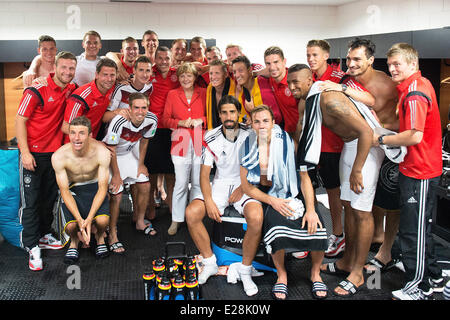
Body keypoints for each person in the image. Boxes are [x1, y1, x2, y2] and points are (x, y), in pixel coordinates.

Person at [287, 64, 386, 297]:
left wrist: (358, 170)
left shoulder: (329, 100)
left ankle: (359, 273)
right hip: (351, 146)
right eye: (289, 82)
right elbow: (301, 129)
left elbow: (366, 132)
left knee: (362, 211)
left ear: (310, 80)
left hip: (366, 148)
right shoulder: (310, 100)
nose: (292, 87)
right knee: (348, 207)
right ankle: (347, 261)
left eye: (296, 82)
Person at [374, 43, 443, 300]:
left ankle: (418, 286)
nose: (392, 69)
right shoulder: (415, 85)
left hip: (420, 171)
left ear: (412, 64)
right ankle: (434, 277)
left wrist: (379, 140)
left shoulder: (414, 92)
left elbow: (414, 136)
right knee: (420, 228)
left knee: (413, 231)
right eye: (390, 64)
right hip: (416, 168)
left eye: (397, 64)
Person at [239, 105, 328, 300]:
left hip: (295, 192)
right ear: (251, 125)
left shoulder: (289, 143)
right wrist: (273, 201)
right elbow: (247, 187)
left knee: (318, 227)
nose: (261, 125)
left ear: (273, 123)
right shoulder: (246, 146)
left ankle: (315, 273)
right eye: (257, 121)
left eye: (265, 121)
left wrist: (311, 209)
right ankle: (282, 274)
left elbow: (304, 178)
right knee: (276, 230)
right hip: (269, 194)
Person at [305, 39, 375, 259]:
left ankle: (338, 235)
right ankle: (319, 237)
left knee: (336, 196)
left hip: (337, 146)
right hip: (316, 145)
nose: (311, 59)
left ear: (326, 55)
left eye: (315, 55)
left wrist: (341, 87)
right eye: (308, 55)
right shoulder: (310, 77)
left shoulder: (339, 77)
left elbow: (370, 99)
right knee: (320, 195)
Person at [186, 95, 263, 297]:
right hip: (219, 183)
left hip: (244, 182)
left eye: (232, 111)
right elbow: (204, 174)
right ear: (219, 115)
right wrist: (209, 200)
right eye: (224, 112)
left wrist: (245, 188)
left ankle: (245, 269)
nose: (229, 116)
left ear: (239, 113)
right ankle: (210, 262)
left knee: (256, 217)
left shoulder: (251, 133)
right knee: (192, 213)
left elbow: (258, 167)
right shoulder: (210, 136)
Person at [16, 51, 78, 271]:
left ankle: (44, 234)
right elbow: (20, 120)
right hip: (32, 154)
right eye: (64, 68)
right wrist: (24, 152)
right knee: (30, 202)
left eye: (71, 68)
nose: (68, 72)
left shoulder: (71, 89)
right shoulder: (37, 89)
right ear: (55, 67)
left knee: (48, 199)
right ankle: (31, 246)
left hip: (54, 155)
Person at [343, 38, 401, 272]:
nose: (352, 63)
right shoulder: (349, 80)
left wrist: (392, 138)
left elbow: (401, 116)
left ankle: (386, 251)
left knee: (390, 202)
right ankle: (372, 240)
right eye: (349, 58)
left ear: (370, 60)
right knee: (366, 199)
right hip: (365, 143)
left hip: (390, 145)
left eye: (357, 59)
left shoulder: (387, 84)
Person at [51, 116, 111, 264]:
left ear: (90, 135)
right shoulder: (59, 156)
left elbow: (103, 187)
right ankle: (74, 241)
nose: (76, 138)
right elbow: (64, 191)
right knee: (71, 226)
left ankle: (99, 236)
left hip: (94, 187)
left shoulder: (102, 152)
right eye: (73, 133)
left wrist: (89, 219)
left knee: (102, 221)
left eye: (81, 133)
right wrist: (80, 220)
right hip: (73, 189)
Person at [103, 93, 158, 254]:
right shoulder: (119, 121)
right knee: (117, 194)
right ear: (130, 108)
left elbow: (145, 141)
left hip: (128, 154)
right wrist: (117, 175)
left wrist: (141, 164)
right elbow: (111, 148)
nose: (140, 111)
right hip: (111, 156)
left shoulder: (152, 119)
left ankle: (140, 221)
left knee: (145, 184)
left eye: (144, 108)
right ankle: (113, 233)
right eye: (136, 107)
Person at [161, 62, 206, 235]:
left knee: (197, 182)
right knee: (180, 183)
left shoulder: (203, 92)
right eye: (182, 76)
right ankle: (176, 219)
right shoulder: (172, 94)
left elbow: (211, 116)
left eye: (189, 75)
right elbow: (165, 120)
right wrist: (179, 122)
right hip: (179, 142)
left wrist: (201, 119)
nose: (185, 79)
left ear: (195, 77)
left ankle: (195, 217)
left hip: (199, 141)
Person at [144, 46, 179, 222]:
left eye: (167, 58)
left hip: (173, 127)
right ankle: (150, 206)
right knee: (151, 171)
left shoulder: (177, 74)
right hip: (153, 127)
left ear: (172, 60)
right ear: (155, 59)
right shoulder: (149, 74)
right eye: (160, 58)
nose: (164, 61)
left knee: (171, 172)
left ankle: (172, 205)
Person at [62, 58, 117, 141]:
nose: (109, 79)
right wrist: (90, 140)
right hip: (74, 144)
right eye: (105, 75)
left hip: (92, 141)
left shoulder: (113, 88)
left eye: (112, 75)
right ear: (97, 75)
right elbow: (65, 127)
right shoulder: (81, 97)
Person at [231, 55, 282, 126]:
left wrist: (253, 114)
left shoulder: (262, 84)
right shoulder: (242, 92)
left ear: (249, 70)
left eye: (240, 70)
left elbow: (276, 119)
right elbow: (242, 119)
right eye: (234, 72)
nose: (237, 75)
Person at [263, 46, 298, 136]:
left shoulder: (295, 81)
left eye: (276, 62)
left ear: (284, 61)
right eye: (268, 63)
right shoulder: (271, 79)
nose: (272, 67)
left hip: (302, 132)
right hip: (286, 133)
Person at [206, 59, 236, 130]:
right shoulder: (209, 88)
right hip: (215, 133)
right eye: (211, 73)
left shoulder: (235, 88)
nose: (213, 77)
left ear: (226, 74)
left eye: (217, 73)